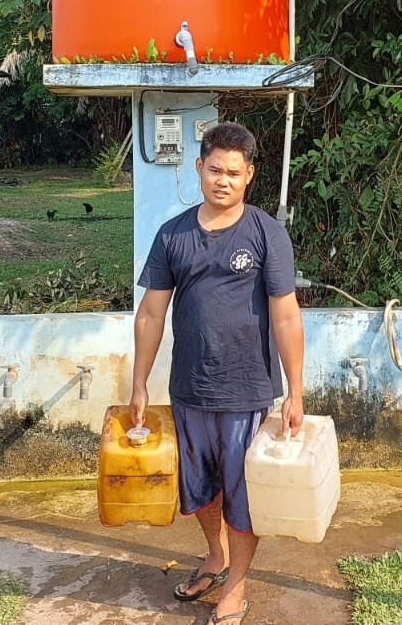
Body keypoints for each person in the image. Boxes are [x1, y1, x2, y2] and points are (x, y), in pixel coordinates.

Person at [128, 121, 304, 625]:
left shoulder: (267, 234)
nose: (222, 180)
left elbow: (286, 314)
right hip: (189, 388)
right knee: (199, 488)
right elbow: (151, 314)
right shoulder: (173, 235)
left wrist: (295, 391)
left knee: (244, 492)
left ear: (249, 175)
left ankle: (238, 587)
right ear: (198, 168)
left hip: (248, 390)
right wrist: (140, 383)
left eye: (233, 172)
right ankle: (216, 555)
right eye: (213, 169)